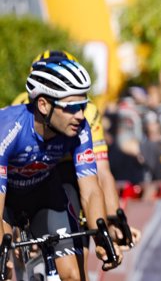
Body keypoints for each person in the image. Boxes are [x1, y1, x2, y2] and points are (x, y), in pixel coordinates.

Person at [1, 57, 122, 279]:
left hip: (44, 195)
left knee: (73, 276)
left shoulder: (80, 129)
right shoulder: (9, 128)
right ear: (44, 105)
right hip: (5, 199)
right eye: (71, 108)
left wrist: (101, 238)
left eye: (83, 106)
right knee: (5, 270)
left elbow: (91, 190)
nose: (79, 115)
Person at [12, 50, 141, 247]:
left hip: (67, 172)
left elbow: (102, 172)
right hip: (26, 176)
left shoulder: (87, 112)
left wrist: (113, 220)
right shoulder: (23, 104)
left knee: (74, 196)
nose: (77, 112)